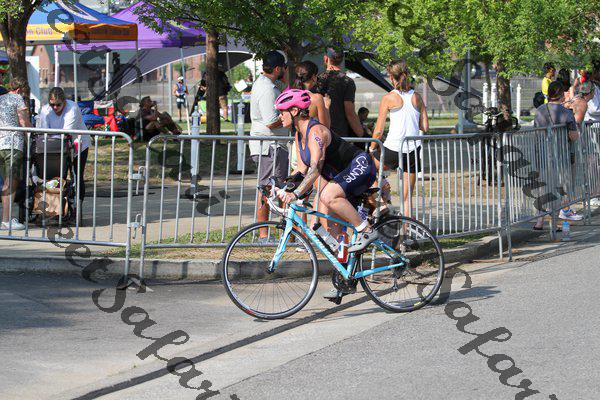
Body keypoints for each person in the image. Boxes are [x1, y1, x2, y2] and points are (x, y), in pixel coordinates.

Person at [275, 89, 378, 298]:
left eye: (282, 111)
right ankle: (346, 277)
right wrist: (283, 187)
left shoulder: (316, 132)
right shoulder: (299, 134)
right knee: (330, 227)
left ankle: (366, 230)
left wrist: (296, 195)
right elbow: (301, 170)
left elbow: (315, 169)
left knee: (327, 196)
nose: (279, 116)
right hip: (341, 178)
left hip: (360, 166)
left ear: (294, 111)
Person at [369, 60, 428, 216]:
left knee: (365, 170)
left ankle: (381, 204)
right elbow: (425, 127)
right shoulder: (417, 97)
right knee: (407, 198)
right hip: (412, 149)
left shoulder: (388, 98)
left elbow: (379, 130)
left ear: (391, 77)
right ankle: (405, 231)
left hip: (393, 148)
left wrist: (372, 148)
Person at [249, 50, 290, 242]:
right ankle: (263, 234)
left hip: (272, 146)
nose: (285, 70)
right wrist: (290, 117)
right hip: (270, 147)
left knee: (277, 188)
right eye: (284, 67)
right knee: (267, 188)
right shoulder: (267, 89)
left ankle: (282, 233)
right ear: (277, 68)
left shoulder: (267, 84)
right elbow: (271, 122)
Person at [533, 81, 582, 229]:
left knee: (543, 187)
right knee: (559, 188)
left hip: (542, 153)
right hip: (561, 156)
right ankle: (554, 223)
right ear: (561, 94)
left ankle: (539, 221)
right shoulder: (566, 112)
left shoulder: (539, 110)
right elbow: (574, 136)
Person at [38, 87, 91, 209]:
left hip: (78, 145)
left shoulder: (72, 108)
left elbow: (66, 132)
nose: (55, 107)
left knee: (77, 175)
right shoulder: (45, 110)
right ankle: (55, 207)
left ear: (64, 102)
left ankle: (77, 205)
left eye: (58, 104)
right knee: (56, 176)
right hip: (55, 146)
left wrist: (51, 136)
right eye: (52, 105)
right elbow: (44, 131)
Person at [0, 78, 31, 230]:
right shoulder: (18, 98)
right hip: (13, 144)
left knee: (6, 182)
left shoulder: (1, 99)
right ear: (19, 90)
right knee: (11, 182)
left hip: (1, 144)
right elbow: (23, 122)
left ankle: (5, 219)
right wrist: (32, 132)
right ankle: (6, 220)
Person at [316, 48, 366, 142]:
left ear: (326, 59)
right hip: (339, 134)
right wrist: (362, 134)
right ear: (342, 60)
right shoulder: (347, 81)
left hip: (318, 132)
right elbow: (350, 112)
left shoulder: (317, 80)